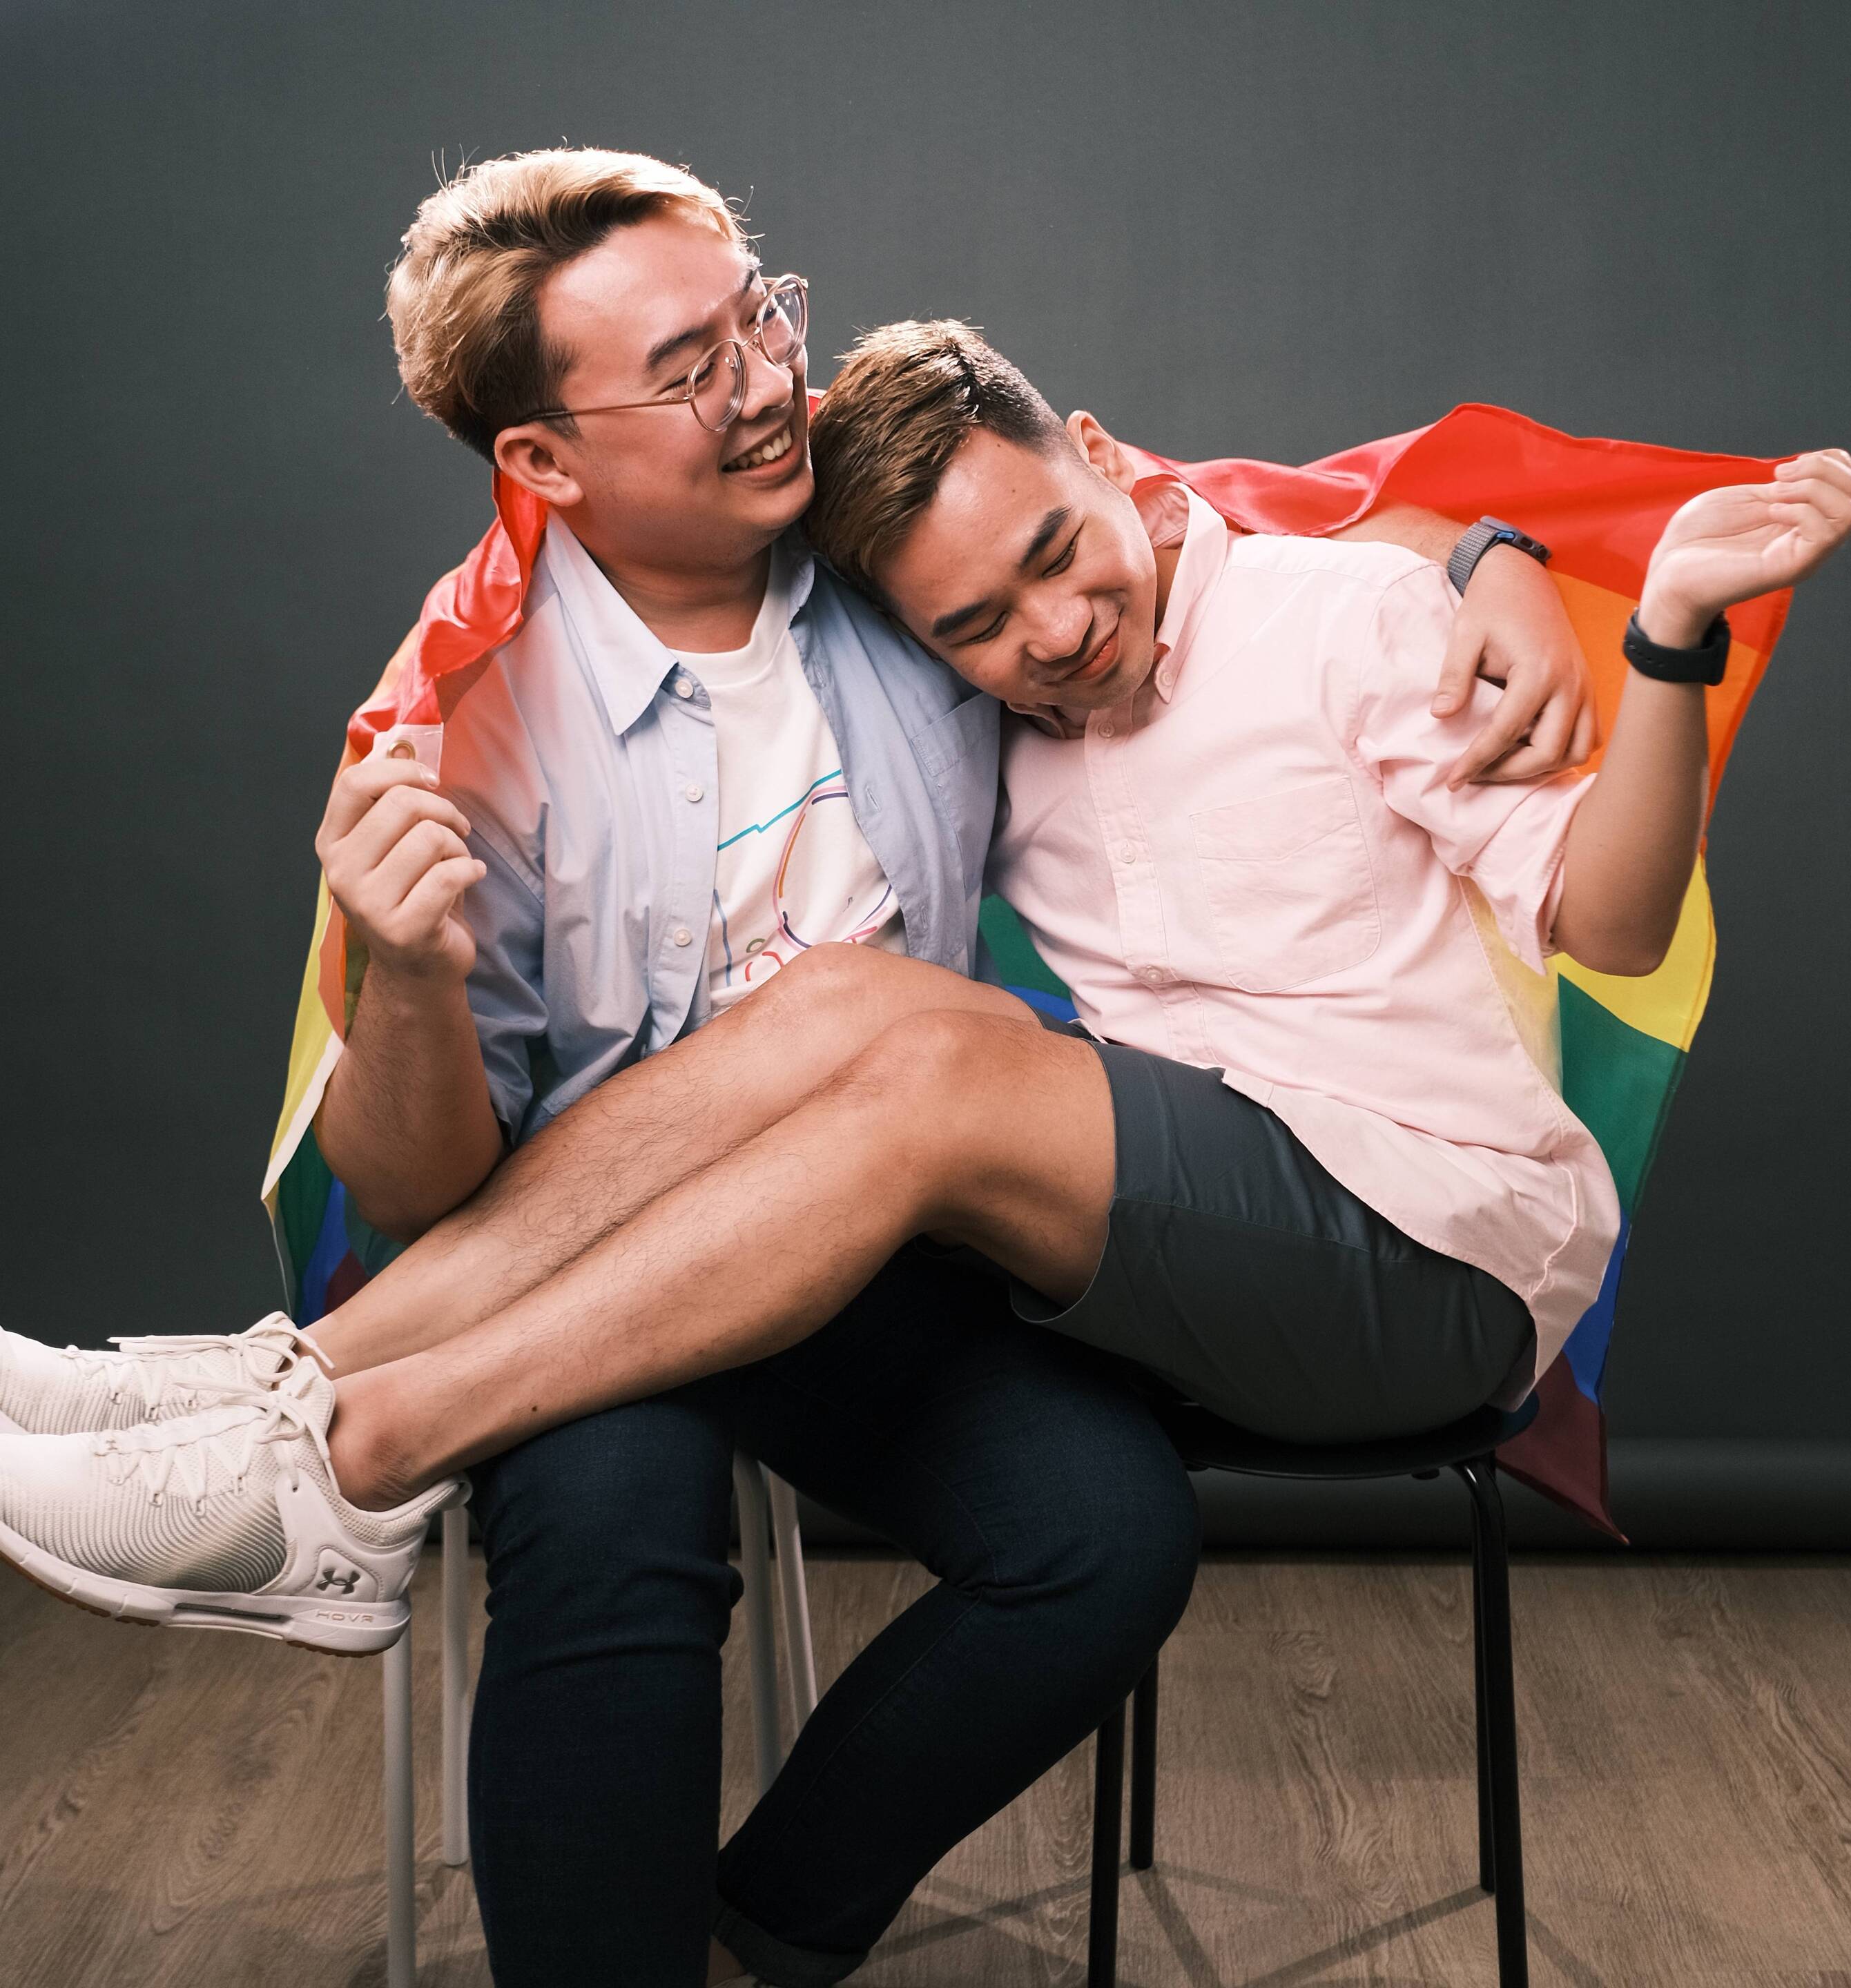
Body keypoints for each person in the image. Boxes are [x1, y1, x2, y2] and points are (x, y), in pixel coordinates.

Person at [0, 154, 1598, 1988]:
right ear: (542, 460)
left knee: (1101, 1532)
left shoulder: (879, 538)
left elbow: (1186, 525)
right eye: (691, 368)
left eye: (761, 314)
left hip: (888, 1227)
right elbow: (418, 1186)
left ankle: (732, 1911)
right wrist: (408, 974)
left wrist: (1488, 557)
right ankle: (311, 1437)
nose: (767, 382)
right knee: (615, 1526)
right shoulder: (471, 705)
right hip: (558, 1256)